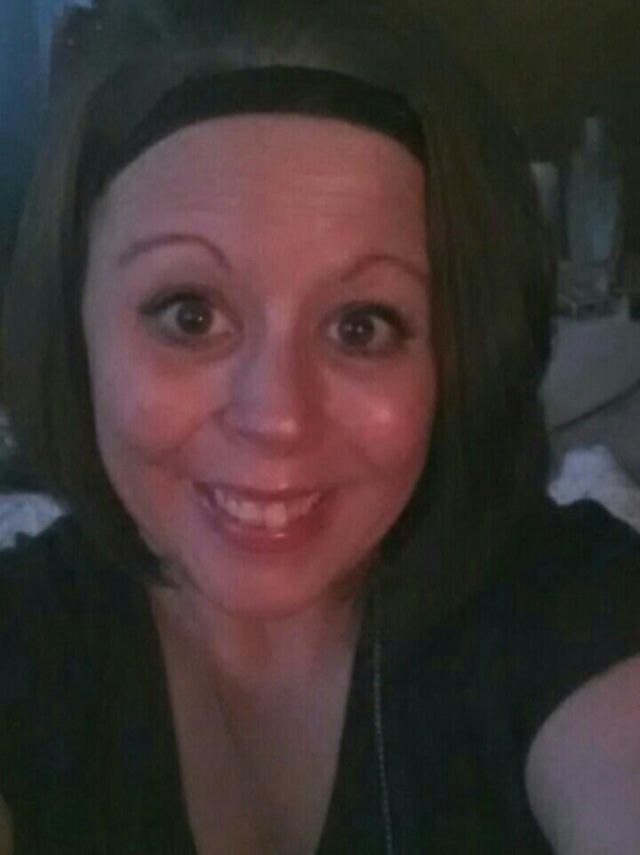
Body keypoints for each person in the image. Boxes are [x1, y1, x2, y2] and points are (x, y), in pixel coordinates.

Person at [1, 1, 640, 852]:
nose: (278, 417)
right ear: (73, 329)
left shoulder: (570, 609)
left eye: (361, 325)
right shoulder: (25, 642)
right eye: (190, 314)